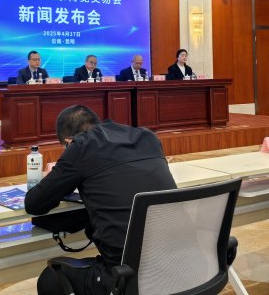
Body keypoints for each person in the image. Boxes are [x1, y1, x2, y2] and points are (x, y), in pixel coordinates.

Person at [25, 105, 176, 295]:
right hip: (182, 263)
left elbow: (34, 204)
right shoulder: (147, 137)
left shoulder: (80, 146)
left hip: (129, 276)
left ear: (68, 141)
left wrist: (55, 176)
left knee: (50, 279)